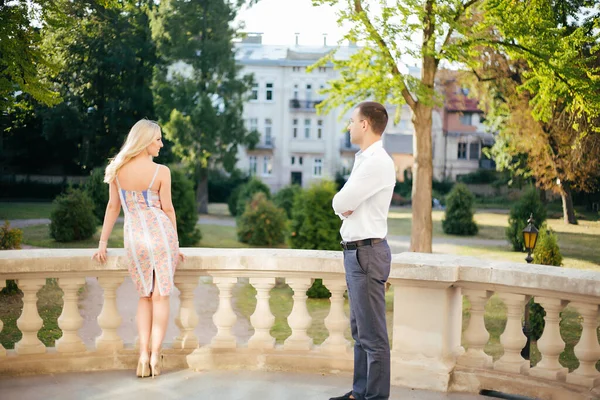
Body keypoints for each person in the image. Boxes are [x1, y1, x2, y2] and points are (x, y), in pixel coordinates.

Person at [92, 119, 185, 378]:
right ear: (145, 141)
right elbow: (167, 209)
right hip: (161, 236)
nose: (161, 144)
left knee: (145, 296)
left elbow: (113, 208)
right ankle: (156, 356)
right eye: (158, 139)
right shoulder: (162, 171)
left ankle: (142, 355)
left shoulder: (117, 169)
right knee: (161, 296)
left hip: (134, 238)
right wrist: (175, 244)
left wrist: (102, 243)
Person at [330, 102, 396, 400]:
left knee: (373, 338)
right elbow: (346, 202)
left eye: (352, 121)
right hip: (357, 253)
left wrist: (344, 205)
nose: (349, 126)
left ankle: (375, 397)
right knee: (360, 333)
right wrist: (346, 204)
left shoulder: (376, 162)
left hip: (366, 254)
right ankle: (360, 393)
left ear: (365, 125)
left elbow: (340, 203)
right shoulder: (365, 160)